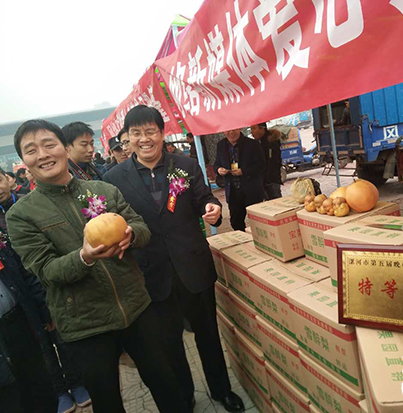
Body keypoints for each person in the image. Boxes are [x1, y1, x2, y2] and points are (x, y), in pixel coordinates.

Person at [7, 119, 190, 413]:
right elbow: (46, 271)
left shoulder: (101, 189)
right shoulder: (21, 215)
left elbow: (141, 228)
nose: (42, 154)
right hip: (86, 325)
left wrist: (131, 235)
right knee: (107, 402)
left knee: (166, 384)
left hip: (136, 307)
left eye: (49, 144)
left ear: (64, 148)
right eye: (31, 150)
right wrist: (85, 257)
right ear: (24, 160)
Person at [104, 105, 244, 413]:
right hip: (151, 274)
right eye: (136, 133)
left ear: (162, 133)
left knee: (208, 335)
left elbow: (203, 198)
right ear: (127, 138)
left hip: (193, 266)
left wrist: (212, 208)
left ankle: (222, 390)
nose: (144, 139)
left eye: (150, 131)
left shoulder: (185, 165)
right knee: (169, 345)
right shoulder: (114, 179)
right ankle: (185, 396)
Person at [0, 168, 58, 413]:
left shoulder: (9, 219)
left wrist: (43, 310)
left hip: (19, 316)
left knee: (39, 388)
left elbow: (23, 270)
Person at [214, 128, 265, 231]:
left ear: (239, 128)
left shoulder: (252, 144)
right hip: (233, 190)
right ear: (223, 131)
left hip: (251, 189)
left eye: (234, 130)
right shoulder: (221, 145)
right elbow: (217, 163)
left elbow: (262, 165)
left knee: (258, 221)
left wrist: (244, 171)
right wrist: (219, 170)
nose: (231, 133)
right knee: (236, 222)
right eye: (228, 130)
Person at [251, 123, 282, 200]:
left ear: (262, 129)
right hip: (262, 181)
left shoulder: (271, 142)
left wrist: (267, 179)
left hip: (271, 180)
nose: (251, 132)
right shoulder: (258, 143)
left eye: (254, 128)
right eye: (251, 129)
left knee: (276, 202)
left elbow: (273, 163)